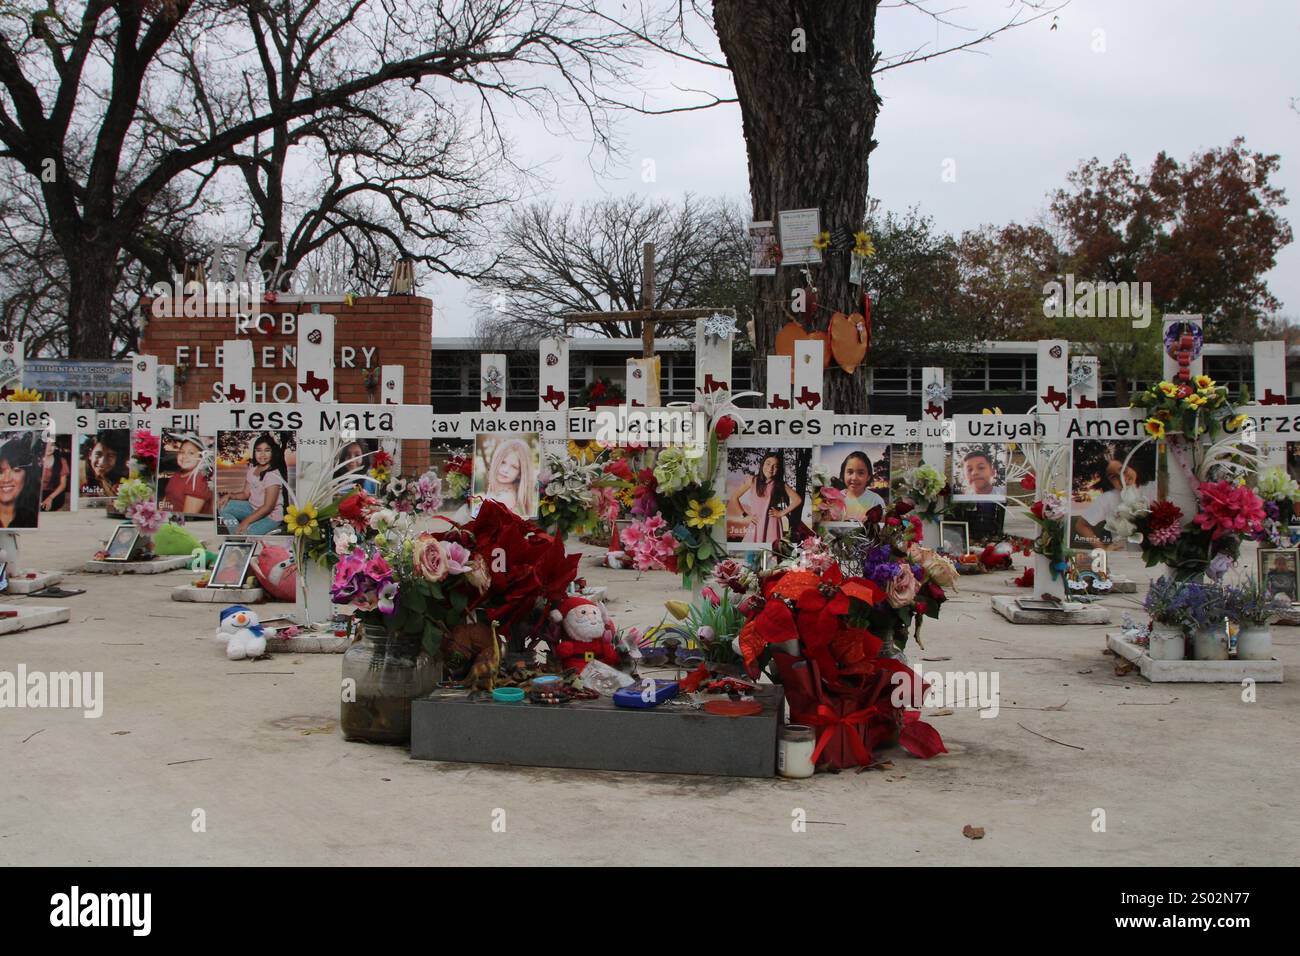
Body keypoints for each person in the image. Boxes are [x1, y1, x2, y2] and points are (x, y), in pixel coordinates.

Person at [1073, 456, 1156, 548]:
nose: (1122, 478)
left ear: (1132, 466)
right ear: (1108, 482)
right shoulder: (1107, 498)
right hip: (1124, 556)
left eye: (1124, 470)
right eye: (1114, 477)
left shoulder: (1153, 487)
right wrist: (1102, 549)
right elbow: (1081, 525)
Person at [218, 433, 288, 535]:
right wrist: (229, 495)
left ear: (273, 452)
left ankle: (241, 533)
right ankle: (237, 534)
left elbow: (268, 507)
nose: (262, 455)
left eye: (267, 450)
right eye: (259, 450)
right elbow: (246, 494)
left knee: (248, 531)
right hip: (253, 508)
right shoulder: (252, 470)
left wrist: (246, 521)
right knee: (223, 506)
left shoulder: (273, 475)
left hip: (271, 516)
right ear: (254, 452)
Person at [731, 451, 803, 545]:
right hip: (756, 523)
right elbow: (734, 497)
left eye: (775, 466)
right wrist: (745, 515)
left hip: (773, 524)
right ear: (762, 464)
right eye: (768, 463)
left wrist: (781, 513)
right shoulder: (753, 480)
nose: (770, 468)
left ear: (778, 469)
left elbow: (798, 500)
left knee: (773, 553)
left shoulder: (780, 484)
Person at [162, 432, 213, 516]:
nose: (184, 456)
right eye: (182, 452)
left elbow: (188, 517)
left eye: (191, 453)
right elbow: (167, 498)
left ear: (201, 457)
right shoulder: (177, 474)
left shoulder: (199, 481)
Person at [484, 438, 537, 517]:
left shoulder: (505, 498)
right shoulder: (502, 493)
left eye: (514, 467)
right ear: (496, 461)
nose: (506, 470)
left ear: (520, 474)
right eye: (503, 462)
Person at [0, 434, 43, 529]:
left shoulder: (35, 519)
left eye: (16, 470)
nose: (7, 479)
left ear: (27, 475)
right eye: (0, 472)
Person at [81, 431, 130, 499]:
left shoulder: (126, 484)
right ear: (90, 454)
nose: (102, 462)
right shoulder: (86, 487)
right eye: (98, 454)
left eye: (110, 456)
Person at [838, 451, 885, 519]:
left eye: (860, 473)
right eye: (850, 472)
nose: (854, 478)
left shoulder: (876, 501)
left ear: (868, 476)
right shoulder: (836, 498)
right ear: (843, 474)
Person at [41, 438, 69, 511]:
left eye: (52, 445)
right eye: (46, 445)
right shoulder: (35, 461)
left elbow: (63, 485)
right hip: (38, 493)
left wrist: (50, 498)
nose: (49, 448)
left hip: (55, 493)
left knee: (46, 508)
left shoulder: (62, 461)